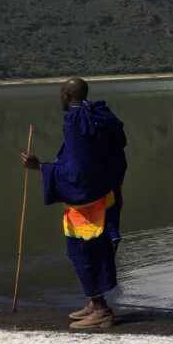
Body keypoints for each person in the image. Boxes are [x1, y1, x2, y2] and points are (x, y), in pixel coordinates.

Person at [21, 77, 127, 329]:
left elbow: (77, 172)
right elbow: (111, 156)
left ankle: (101, 310)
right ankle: (94, 301)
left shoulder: (76, 124)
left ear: (67, 96)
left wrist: (41, 167)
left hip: (88, 206)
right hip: (106, 195)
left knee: (86, 252)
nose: (60, 97)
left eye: (61, 93)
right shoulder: (98, 116)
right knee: (95, 250)